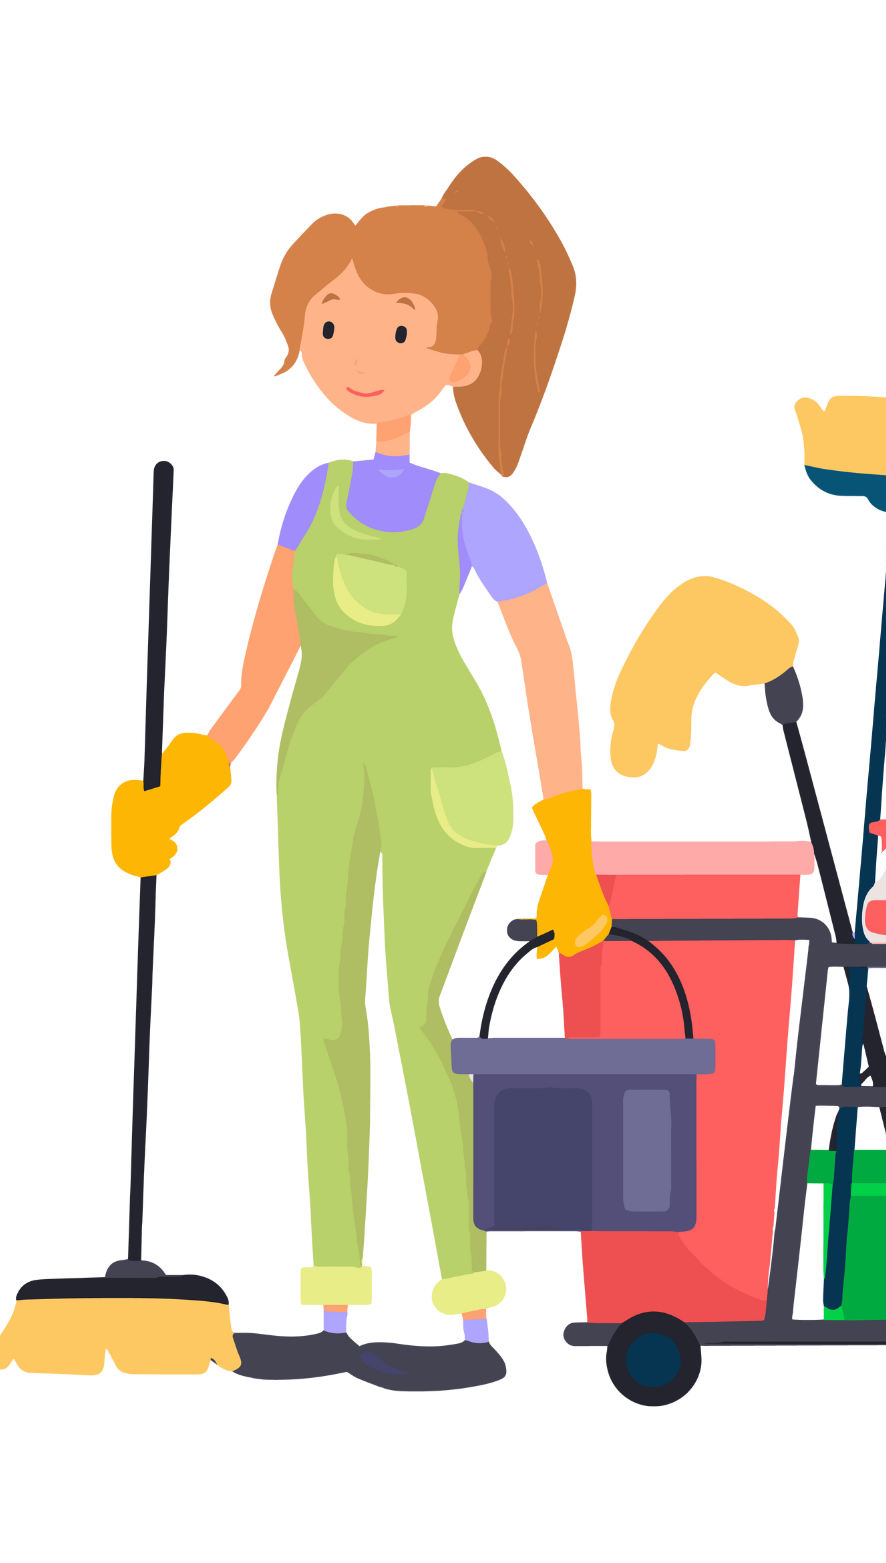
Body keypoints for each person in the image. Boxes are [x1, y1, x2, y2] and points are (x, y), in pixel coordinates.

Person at [108, 157, 612, 1393]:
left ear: (459, 361)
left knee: (413, 1014)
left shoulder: (478, 515)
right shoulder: (308, 497)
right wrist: (186, 784)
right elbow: (256, 676)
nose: (357, 351)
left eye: (393, 327)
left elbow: (549, 669)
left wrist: (571, 842)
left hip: (447, 782)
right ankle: (334, 1309)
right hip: (316, 781)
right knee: (321, 1022)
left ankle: (468, 1306)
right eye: (330, 324)